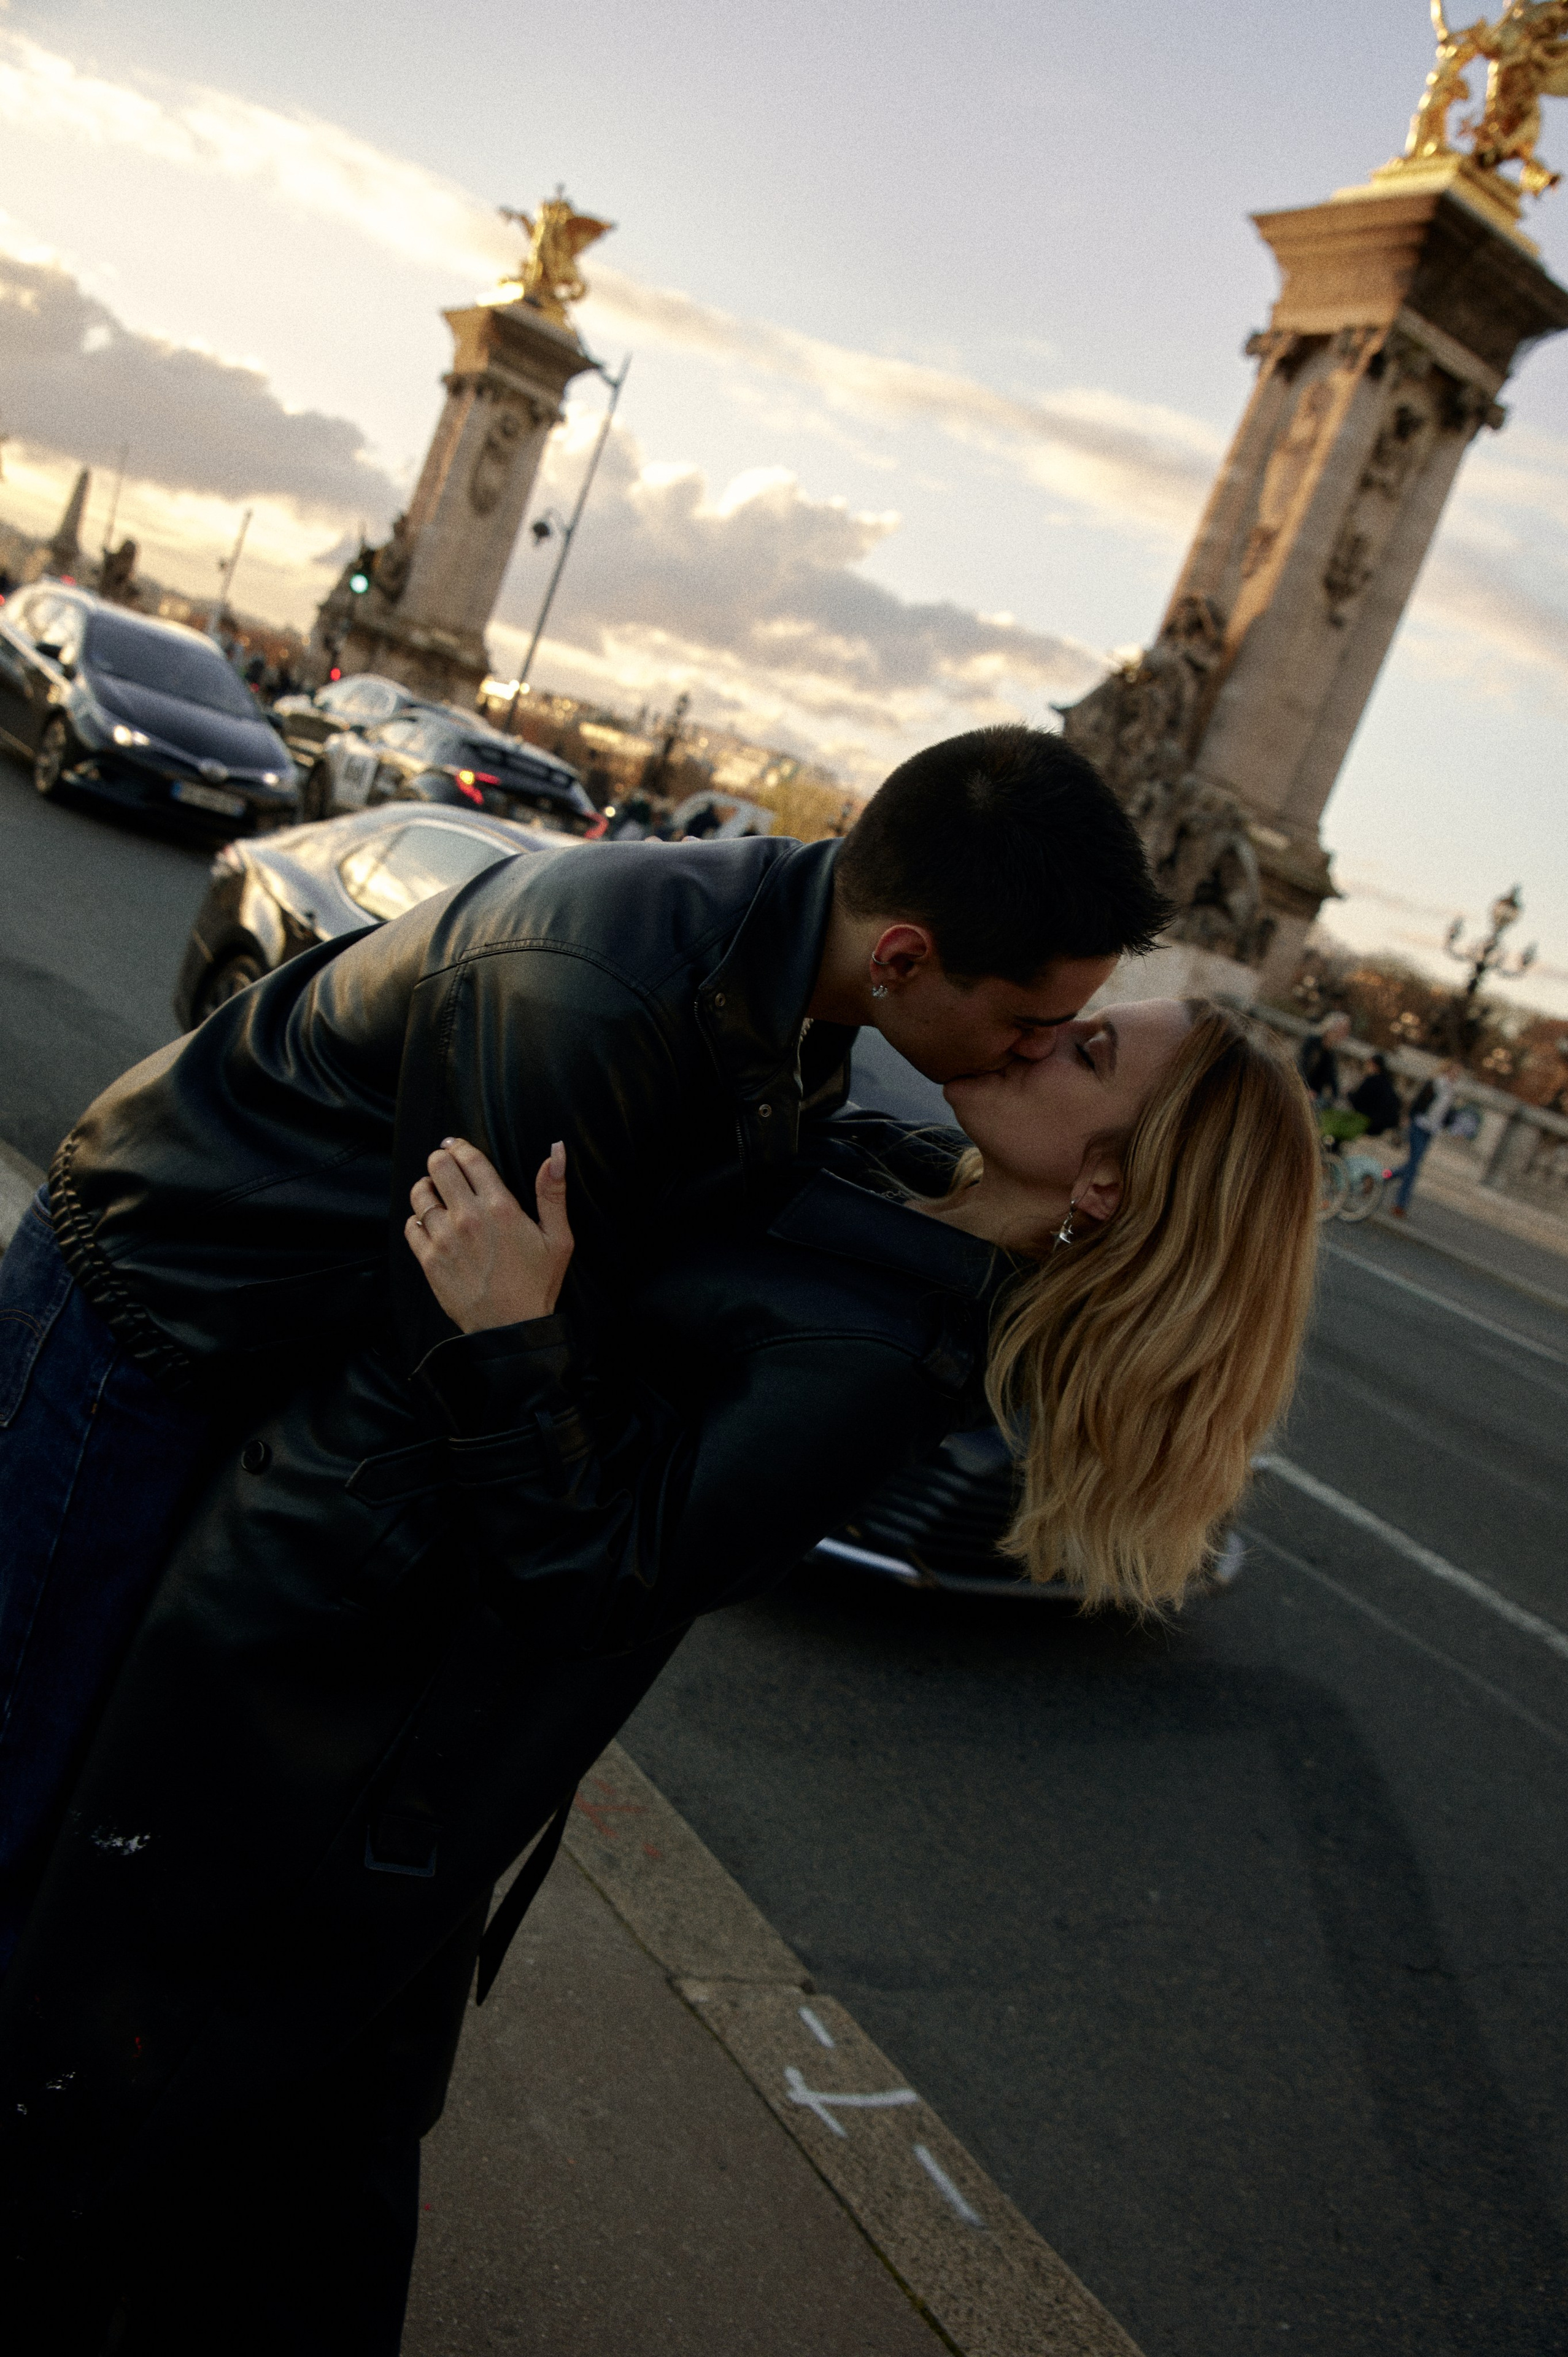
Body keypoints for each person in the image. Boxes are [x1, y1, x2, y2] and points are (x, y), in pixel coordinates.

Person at [0, 993, 1320, 2350]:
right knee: (279, 2170)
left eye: (1087, 1053)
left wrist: (511, 1336)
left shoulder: (891, 1351)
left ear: (1105, 1186)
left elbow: (601, 1581)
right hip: (357, 1705)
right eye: (1070, 1014)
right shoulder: (901, 1175)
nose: (1043, 1035)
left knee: (130, 2144)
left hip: (356, 1768)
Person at [0, 726, 1165, 1972]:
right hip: (152, 1311)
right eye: (1034, 1021)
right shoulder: (600, 995)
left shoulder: (792, 981)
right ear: (904, 957)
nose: (1035, 1048)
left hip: (254, 1329)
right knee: (22, 1759)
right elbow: (457, 1337)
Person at [1389, 1057, 1461, 1217]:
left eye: (1458, 1073)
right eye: (1454, 1071)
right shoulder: (1435, 1084)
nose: (1455, 1075)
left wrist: (1453, 1128)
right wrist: (1409, 1117)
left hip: (1431, 1131)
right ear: (1447, 1070)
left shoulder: (1451, 1091)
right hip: (1419, 1126)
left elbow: (1446, 1115)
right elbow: (1419, 1102)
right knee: (1413, 1167)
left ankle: (1383, 1176)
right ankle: (1400, 1204)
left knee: (1411, 1166)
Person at [1297, 1010, 1350, 1104]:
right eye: (1343, 1029)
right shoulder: (1313, 1043)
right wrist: (1306, 1089)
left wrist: (1338, 1096)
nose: (1345, 1034)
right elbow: (1302, 1066)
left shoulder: (1330, 1053)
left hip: (1315, 1095)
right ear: (1333, 1028)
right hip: (1301, 1089)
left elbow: (1332, 1079)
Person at [1348, 1050, 1402, 1139]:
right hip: (1380, 1126)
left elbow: (1359, 1101)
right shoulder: (1386, 1082)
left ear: (1373, 1065)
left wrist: (1349, 1095)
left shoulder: (1372, 1081)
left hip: (1368, 1124)